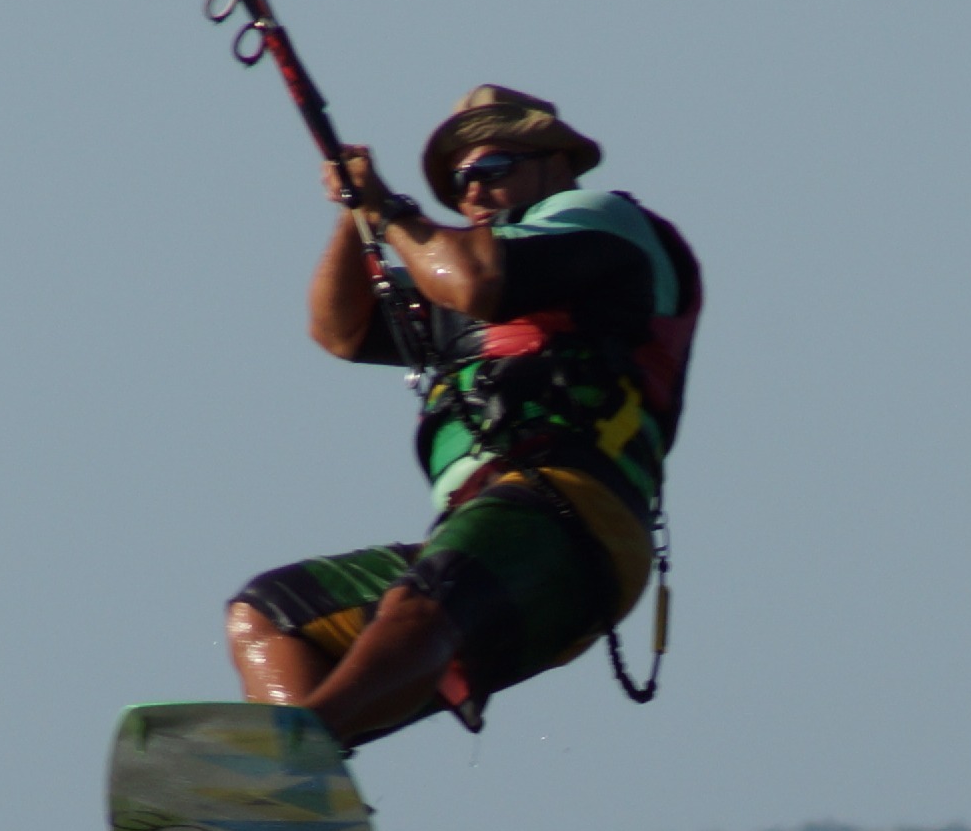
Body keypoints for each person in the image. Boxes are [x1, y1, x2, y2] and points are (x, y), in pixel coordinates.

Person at [225, 85, 700, 747]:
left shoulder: (598, 224)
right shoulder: (464, 274)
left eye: (491, 170)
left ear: (557, 163)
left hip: (576, 512)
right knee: (269, 614)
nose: (471, 191)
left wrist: (391, 210)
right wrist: (355, 216)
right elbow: (339, 329)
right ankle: (305, 803)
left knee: (423, 603)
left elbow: (475, 282)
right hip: (501, 529)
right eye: (459, 181)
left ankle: (291, 757)